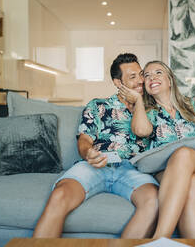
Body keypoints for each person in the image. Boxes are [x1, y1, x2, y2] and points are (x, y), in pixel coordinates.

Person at [33, 53, 159, 238]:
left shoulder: (154, 109)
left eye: (141, 74)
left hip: (134, 169)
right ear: (118, 82)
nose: (141, 81)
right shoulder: (98, 105)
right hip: (97, 165)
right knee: (59, 196)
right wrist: (88, 153)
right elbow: (84, 139)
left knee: (154, 201)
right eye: (132, 77)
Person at [118, 60, 195, 238]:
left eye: (158, 73)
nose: (151, 78)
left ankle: (160, 238)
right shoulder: (148, 113)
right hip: (165, 173)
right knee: (192, 182)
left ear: (170, 80)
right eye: (146, 76)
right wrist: (139, 101)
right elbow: (141, 131)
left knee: (184, 153)